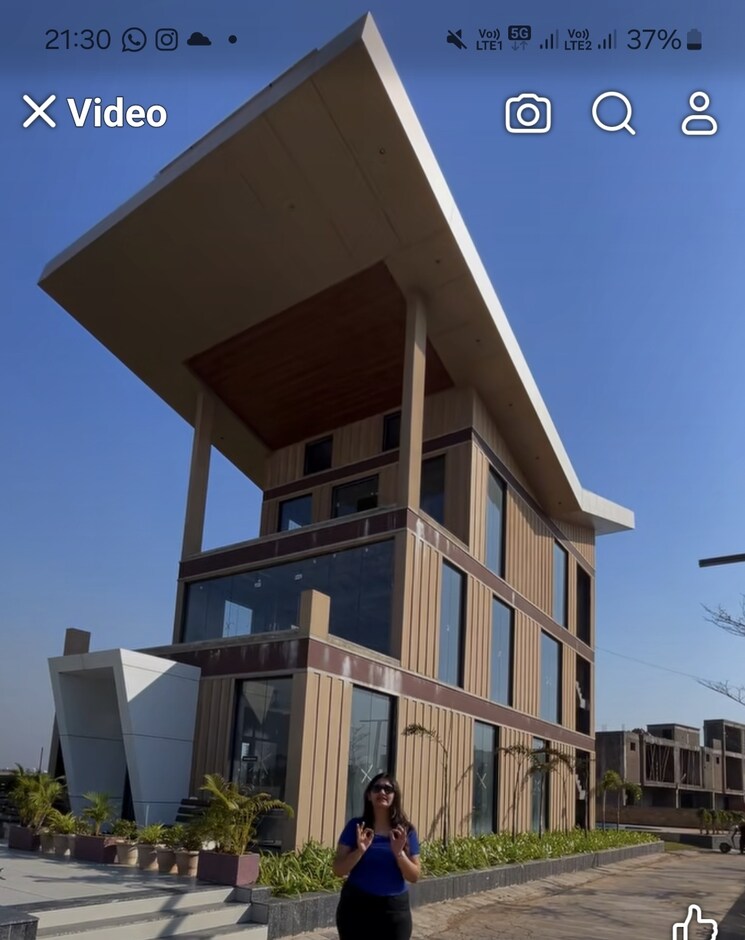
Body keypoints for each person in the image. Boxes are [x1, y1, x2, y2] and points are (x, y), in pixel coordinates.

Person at [332, 772, 421, 940]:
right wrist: (359, 851)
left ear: (395, 796)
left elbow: (414, 876)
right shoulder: (356, 827)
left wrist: (399, 853)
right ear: (369, 795)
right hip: (356, 906)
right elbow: (338, 870)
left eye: (388, 789)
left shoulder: (405, 831)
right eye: (377, 788)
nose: (382, 792)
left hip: (394, 910)